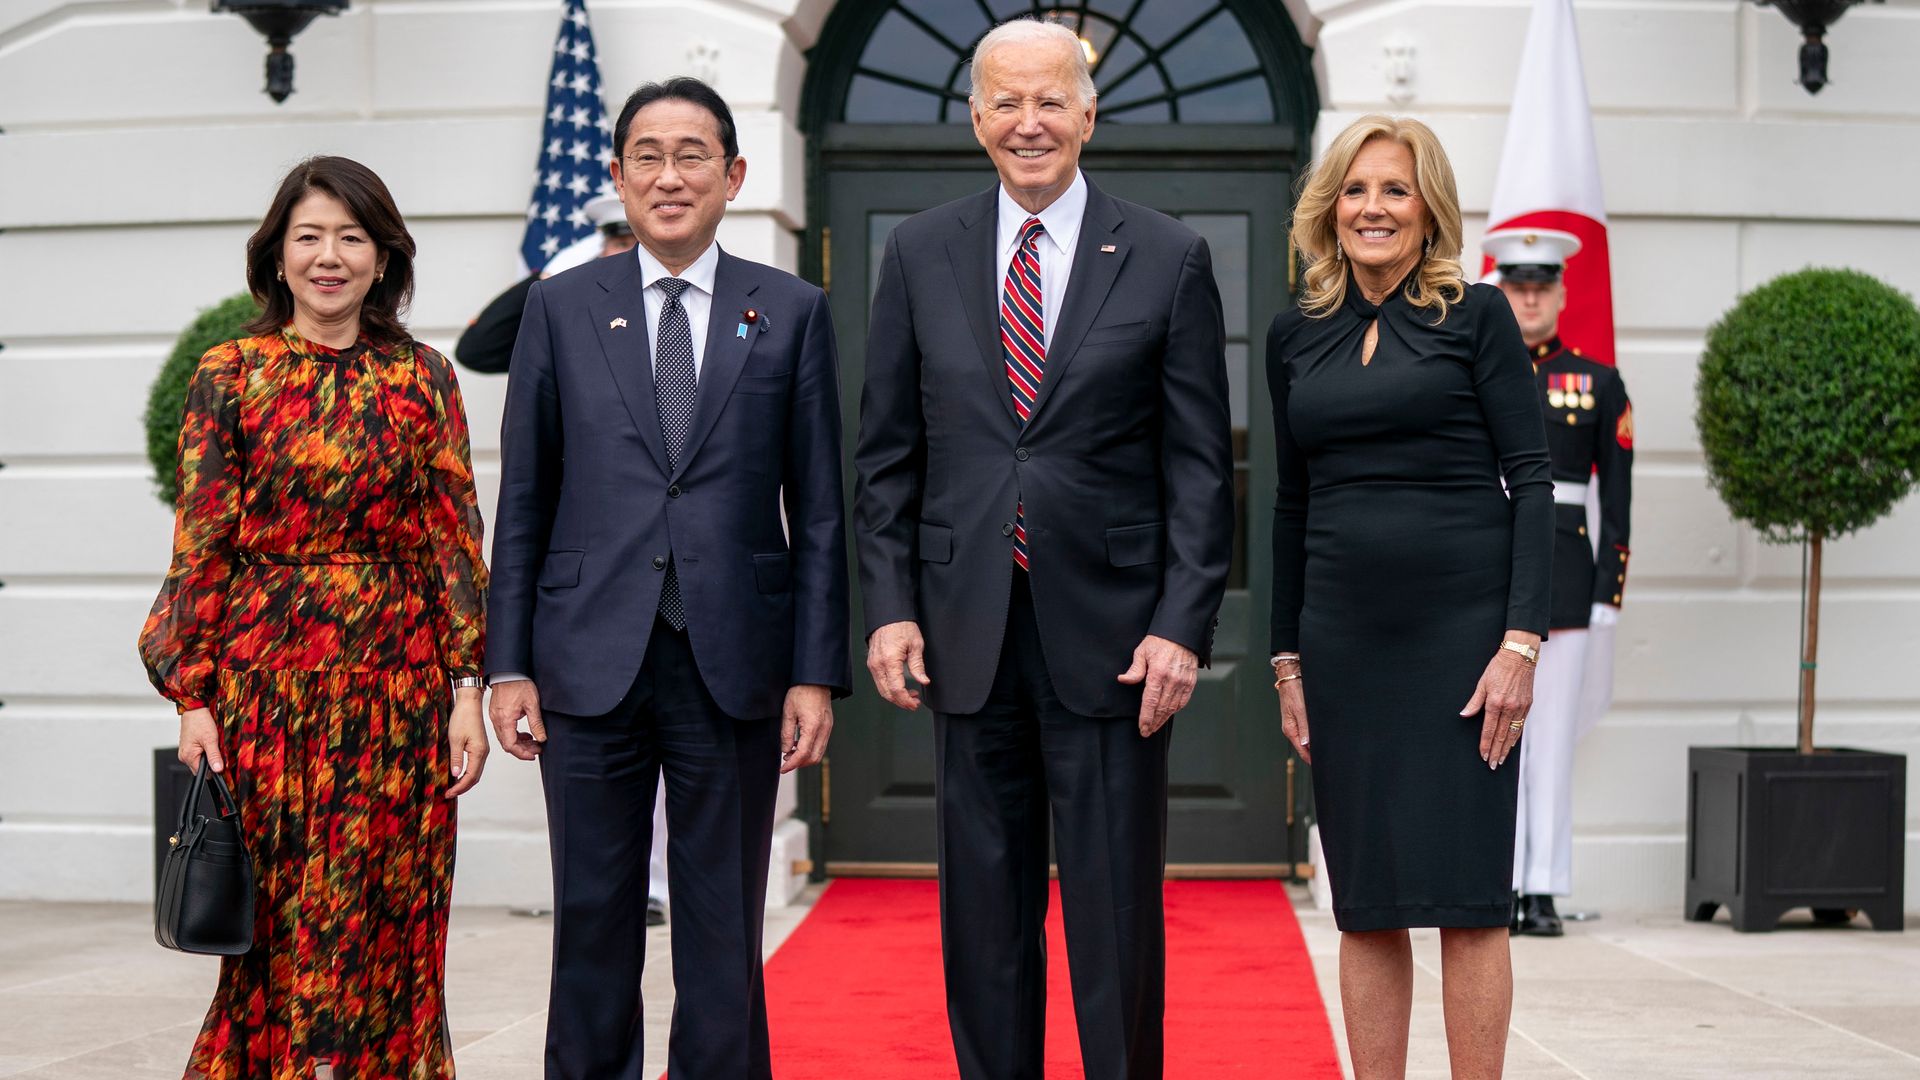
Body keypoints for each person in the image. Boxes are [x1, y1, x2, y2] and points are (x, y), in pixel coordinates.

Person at [854, 18, 1233, 1078]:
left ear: (1089, 113)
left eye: (1051, 101)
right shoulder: (917, 251)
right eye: (1007, 103)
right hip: (963, 633)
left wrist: (1181, 627)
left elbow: (1200, 468)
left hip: (1115, 645)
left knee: (1114, 916)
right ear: (976, 117)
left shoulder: (1167, 255)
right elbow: (885, 455)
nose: (1030, 124)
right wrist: (887, 603)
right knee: (982, 920)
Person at [485, 76, 848, 1079]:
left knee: (721, 923)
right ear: (617, 176)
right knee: (593, 918)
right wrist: (504, 663)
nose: (669, 174)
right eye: (647, 154)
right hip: (586, 658)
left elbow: (820, 511)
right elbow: (525, 501)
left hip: (734, 660)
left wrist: (814, 671)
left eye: (693, 155)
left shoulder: (792, 311)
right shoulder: (559, 310)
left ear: (734, 177)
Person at [138, 155, 489, 1079]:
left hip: (399, 695)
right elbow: (200, 543)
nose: (329, 257)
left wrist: (466, 690)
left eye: (351, 237)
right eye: (309, 237)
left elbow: (454, 539)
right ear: (278, 256)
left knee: (393, 917)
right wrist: (191, 696)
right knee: (276, 931)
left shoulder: (424, 378)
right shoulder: (231, 373)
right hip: (266, 700)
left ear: (383, 259)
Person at [1266, 115, 1552, 1078]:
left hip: (1464, 646)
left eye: (1394, 189)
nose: (1372, 208)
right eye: (1355, 190)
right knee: (1369, 902)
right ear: (1329, 208)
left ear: (1429, 208)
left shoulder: (1478, 317)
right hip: (1344, 646)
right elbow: (1290, 502)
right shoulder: (1293, 334)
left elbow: (1534, 482)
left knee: (1470, 901)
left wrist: (1520, 643)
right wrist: (1286, 660)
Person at [1484, 227, 1633, 938]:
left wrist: (1610, 591)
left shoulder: (1598, 382)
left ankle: (1543, 887)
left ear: (1562, 294)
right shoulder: (1474, 368)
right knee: (1495, 735)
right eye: (1517, 285)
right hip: (1489, 571)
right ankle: (1499, 881)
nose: (1530, 298)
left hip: (1569, 579)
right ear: (1500, 288)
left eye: (1542, 286)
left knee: (1550, 740)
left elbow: (1620, 498)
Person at [454, 191, 638, 374]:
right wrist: (547, 277)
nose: (630, 254)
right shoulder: (574, 313)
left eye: (639, 245)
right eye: (621, 244)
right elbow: (475, 352)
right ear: (600, 251)